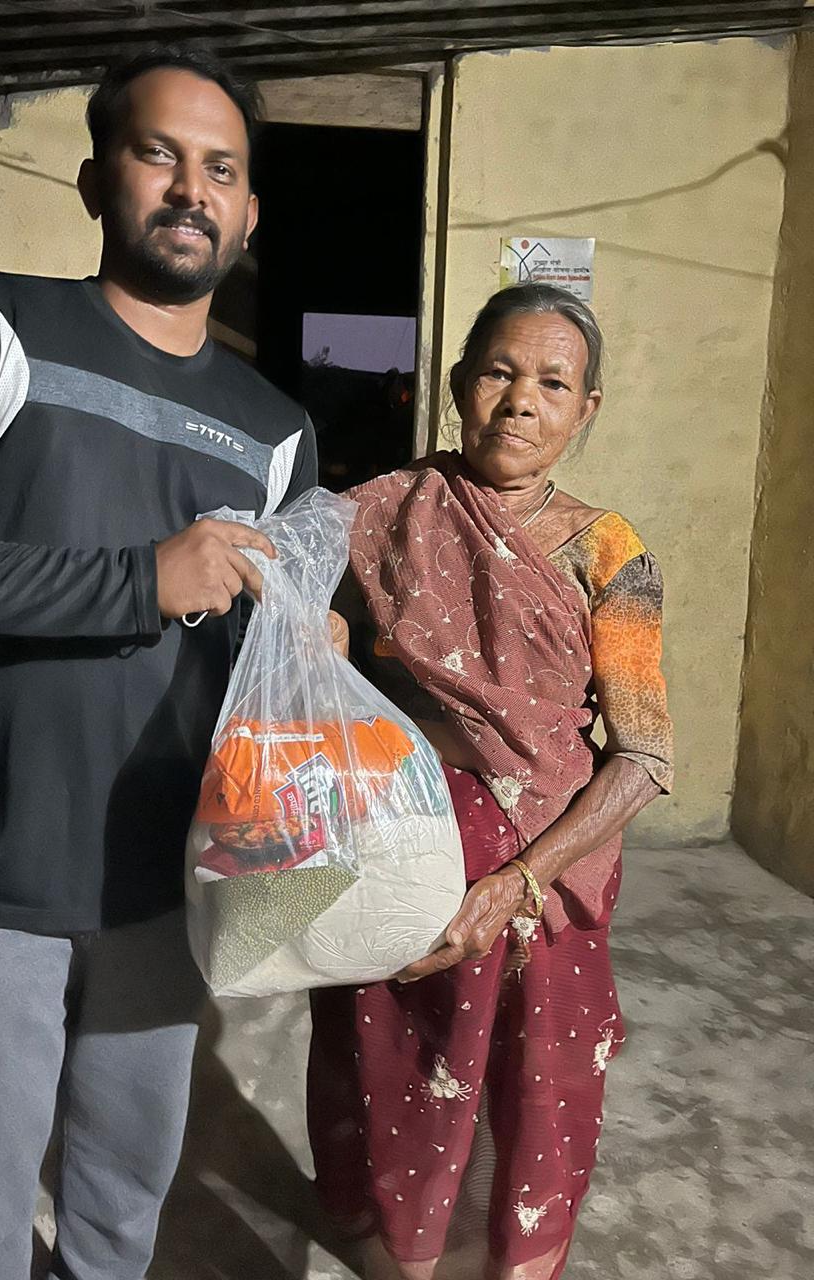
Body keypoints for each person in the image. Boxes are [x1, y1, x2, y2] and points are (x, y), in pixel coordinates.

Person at [0, 48, 320, 1280]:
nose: (191, 188)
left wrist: (303, 641)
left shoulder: (278, 430)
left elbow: (259, 657)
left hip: (166, 895)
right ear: (96, 179)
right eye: (159, 153)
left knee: (119, 1227)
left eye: (222, 169)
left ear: (249, 214)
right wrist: (135, 580)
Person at [307, 284, 673, 1280]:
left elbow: (643, 758)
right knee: (395, 1062)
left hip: (546, 872)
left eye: (552, 383)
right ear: (461, 384)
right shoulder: (389, 507)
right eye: (499, 373)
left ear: (585, 409)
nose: (520, 401)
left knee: (534, 1084)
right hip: (397, 841)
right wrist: (316, 625)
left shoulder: (610, 551)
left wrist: (517, 883)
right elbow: (282, 565)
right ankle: (397, 1251)